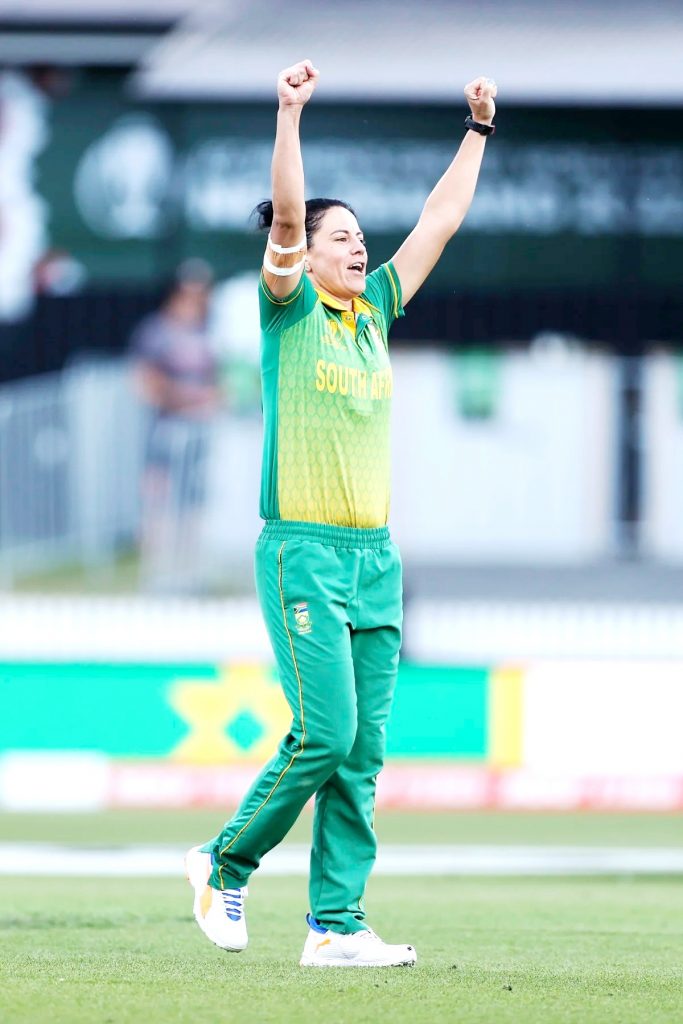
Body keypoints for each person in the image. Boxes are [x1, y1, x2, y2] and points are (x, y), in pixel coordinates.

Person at [185, 59, 497, 968]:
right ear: (309, 254)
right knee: (324, 732)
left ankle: (335, 925)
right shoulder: (288, 311)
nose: (359, 248)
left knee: (360, 754)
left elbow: (438, 221)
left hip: (374, 559)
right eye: (342, 237)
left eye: (362, 237)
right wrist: (289, 115)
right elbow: (286, 216)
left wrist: (477, 130)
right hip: (303, 552)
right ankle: (223, 860)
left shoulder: (377, 312)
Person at [129, 259, 221, 593]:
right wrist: (183, 397)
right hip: (166, 430)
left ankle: (189, 574)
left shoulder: (211, 332)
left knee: (193, 504)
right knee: (159, 500)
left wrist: (211, 398)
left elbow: (223, 381)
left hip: (200, 432)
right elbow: (143, 381)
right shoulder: (157, 331)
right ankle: (155, 573)